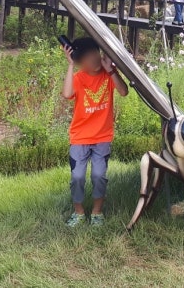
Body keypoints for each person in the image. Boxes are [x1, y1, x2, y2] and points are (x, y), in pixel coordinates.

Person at [62, 37, 128, 227]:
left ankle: (97, 212)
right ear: (80, 62)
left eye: (96, 54)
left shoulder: (108, 76)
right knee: (77, 176)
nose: (95, 59)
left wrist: (112, 70)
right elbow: (67, 94)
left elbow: (123, 92)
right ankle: (79, 212)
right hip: (80, 137)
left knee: (99, 175)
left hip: (102, 137)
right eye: (89, 57)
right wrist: (69, 66)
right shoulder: (78, 78)